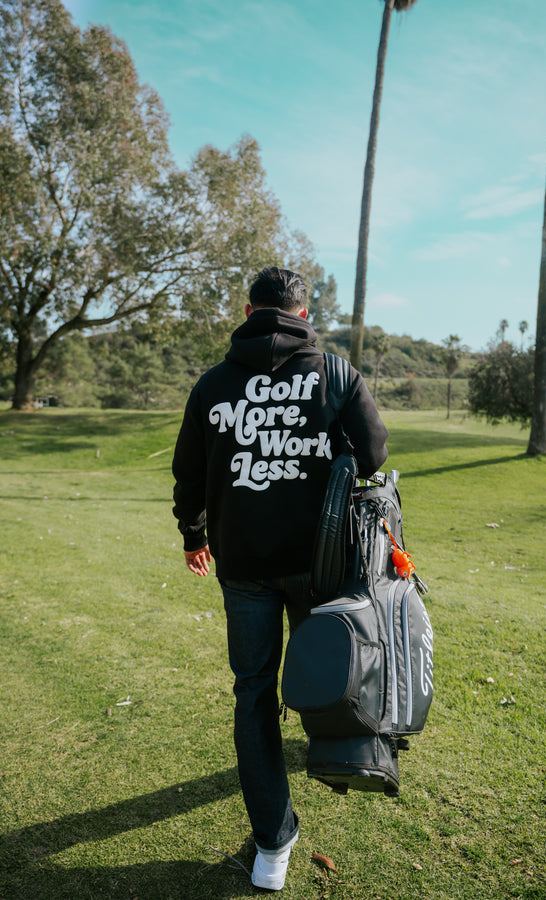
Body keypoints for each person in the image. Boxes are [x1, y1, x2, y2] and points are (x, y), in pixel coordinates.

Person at [172, 266, 388, 891]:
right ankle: (346, 760)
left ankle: (272, 847)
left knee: (254, 693)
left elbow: (189, 476)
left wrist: (195, 536)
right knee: (327, 670)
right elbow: (373, 455)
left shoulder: (212, 385)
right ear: (302, 312)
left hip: (241, 565)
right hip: (320, 563)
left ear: (247, 310)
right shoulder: (337, 372)